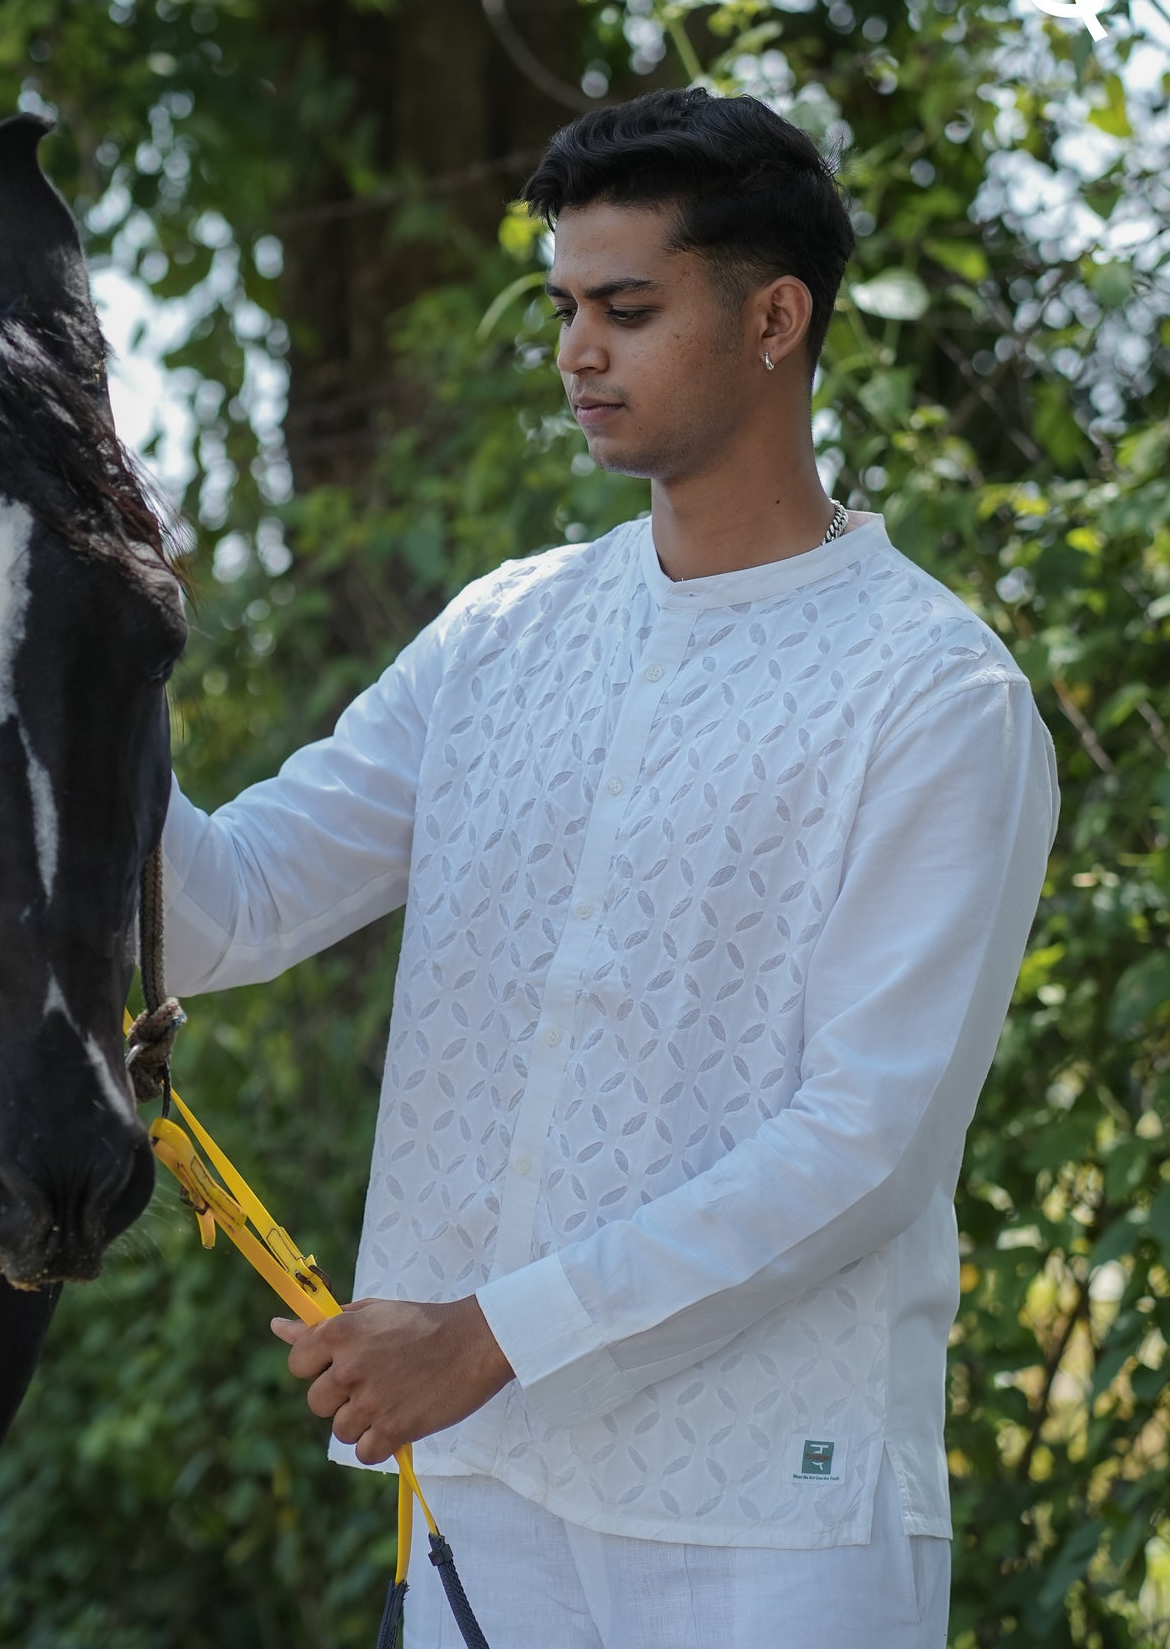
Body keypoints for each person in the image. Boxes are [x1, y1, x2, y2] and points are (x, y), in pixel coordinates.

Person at [160, 87, 1060, 1648]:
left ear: (773, 317)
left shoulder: (931, 693)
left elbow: (865, 1145)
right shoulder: (501, 636)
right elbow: (228, 908)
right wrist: (56, 693)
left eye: (625, 309)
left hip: (775, 1516)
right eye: (567, 306)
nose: (578, 350)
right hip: (481, 1502)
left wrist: (492, 1337)